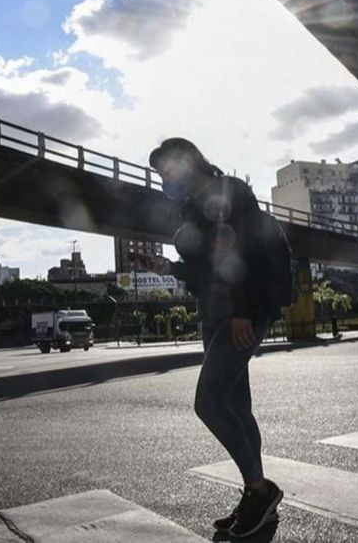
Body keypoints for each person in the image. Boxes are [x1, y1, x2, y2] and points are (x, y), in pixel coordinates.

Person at [146, 138, 285, 538]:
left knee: (208, 403)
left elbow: (243, 250)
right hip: (215, 313)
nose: (165, 179)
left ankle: (261, 490)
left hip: (241, 313)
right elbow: (207, 268)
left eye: (166, 169)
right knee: (237, 406)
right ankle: (258, 502)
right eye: (160, 174)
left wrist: (242, 308)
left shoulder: (229, 192)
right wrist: (170, 267)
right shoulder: (193, 205)